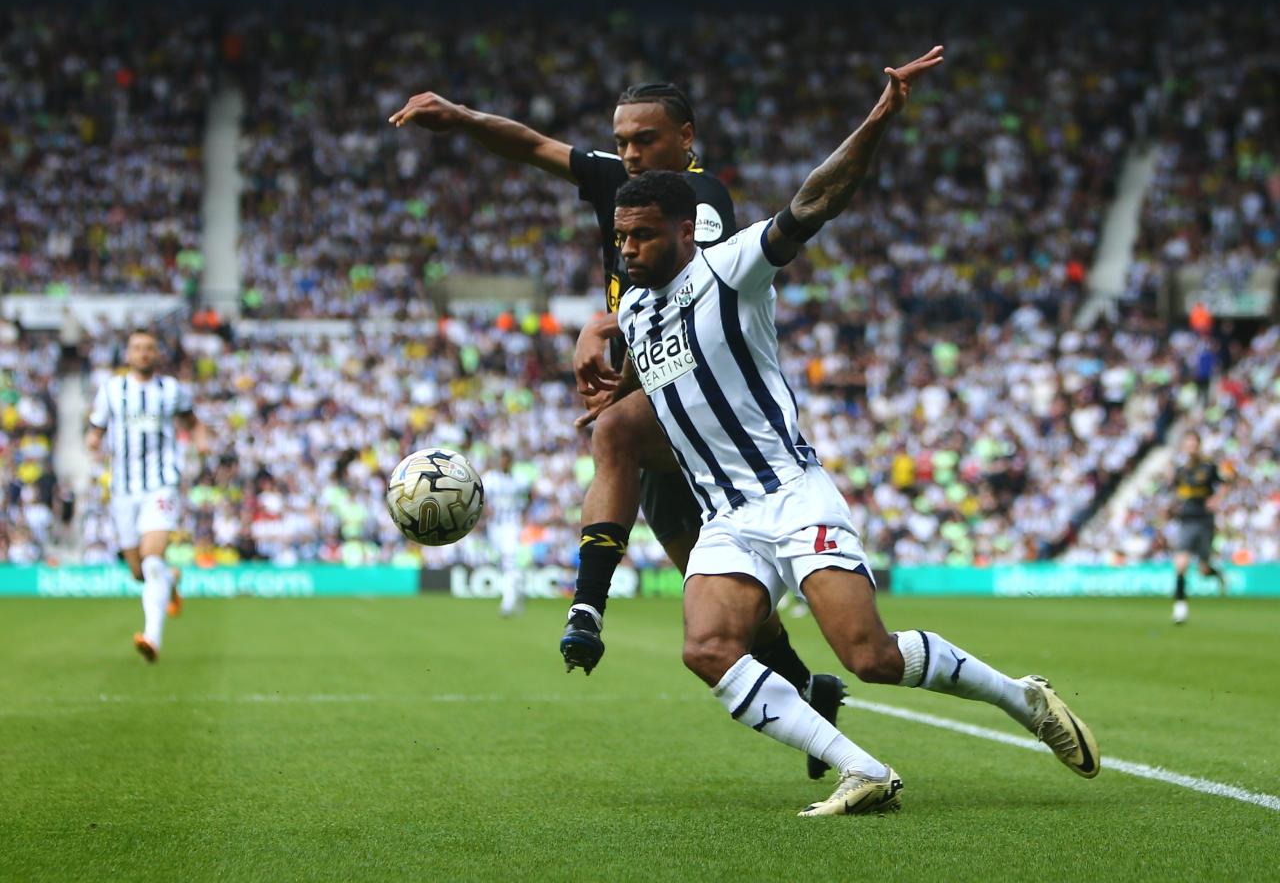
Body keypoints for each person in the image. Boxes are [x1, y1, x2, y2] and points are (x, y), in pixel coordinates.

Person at [598, 46, 1100, 816]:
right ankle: (861, 768)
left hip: (792, 496)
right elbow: (668, 388)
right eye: (620, 239)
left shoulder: (732, 269)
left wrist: (876, 119)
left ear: (682, 230)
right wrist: (606, 391)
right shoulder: (632, 309)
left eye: (639, 237)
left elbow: (816, 199)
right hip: (726, 518)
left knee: (871, 657)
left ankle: (1021, 698)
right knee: (705, 649)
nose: (626, 251)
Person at [389, 83, 845, 779]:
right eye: (623, 139)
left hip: (702, 397)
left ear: (686, 138)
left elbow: (687, 298)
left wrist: (602, 325)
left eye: (646, 140)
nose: (630, 153)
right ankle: (811, 689)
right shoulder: (614, 179)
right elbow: (532, 144)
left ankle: (587, 606)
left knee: (612, 434)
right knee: (713, 587)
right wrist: (459, 118)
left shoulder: (701, 202)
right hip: (656, 390)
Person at [85, 329, 210, 662]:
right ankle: (170, 580)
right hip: (124, 488)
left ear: (157, 355)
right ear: (128, 354)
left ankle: (151, 637)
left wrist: (201, 440)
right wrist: (92, 441)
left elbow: (193, 421)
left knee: (152, 558)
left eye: (149, 348)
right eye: (137, 348)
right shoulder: (112, 389)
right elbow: (95, 428)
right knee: (139, 571)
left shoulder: (171, 390)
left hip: (160, 484)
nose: (143, 353)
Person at [1169, 430, 1231, 624]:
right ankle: (1180, 609)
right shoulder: (1181, 471)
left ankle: (1216, 572)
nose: (1191, 446)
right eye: (1187, 443)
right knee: (1180, 565)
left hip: (1204, 520)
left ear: (1198, 445)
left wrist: (1216, 498)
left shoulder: (1208, 467)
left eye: (1193, 443)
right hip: (1187, 520)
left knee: (1203, 569)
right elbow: (1176, 491)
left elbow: (1225, 484)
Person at [486, 451, 532, 617]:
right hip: (495, 526)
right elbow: (480, 498)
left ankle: (507, 603)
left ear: (511, 461)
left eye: (507, 460)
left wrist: (524, 514)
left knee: (509, 559)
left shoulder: (519, 480)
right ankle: (519, 589)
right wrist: (486, 512)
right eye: (502, 460)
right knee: (500, 561)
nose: (504, 463)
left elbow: (530, 495)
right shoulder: (490, 478)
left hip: (512, 524)